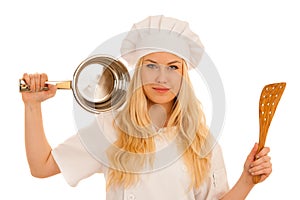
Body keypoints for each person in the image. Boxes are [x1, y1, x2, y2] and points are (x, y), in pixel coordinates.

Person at [21, 15, 272, 200]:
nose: (162, 78)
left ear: (184, 74)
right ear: (138, 72)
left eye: (173, 67)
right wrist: (32, 107)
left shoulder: (201, 142)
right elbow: (41, 167)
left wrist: (247, 181)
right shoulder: (111, 130)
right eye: (151, 65)